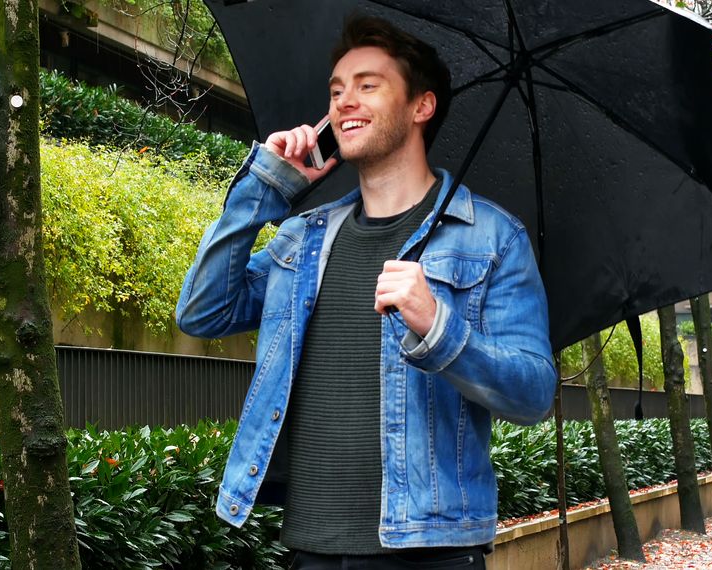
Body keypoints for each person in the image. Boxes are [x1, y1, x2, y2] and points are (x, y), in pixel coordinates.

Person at [175, 15, 557, 569]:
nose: (343, 102)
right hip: (311, 547)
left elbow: (533, 393)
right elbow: (203, 311)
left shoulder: (493, 238)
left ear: (421, 106)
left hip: (431, 552)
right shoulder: (303, 237)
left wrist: (439, 326)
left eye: (367, 86)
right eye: (336, 90)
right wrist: (264, 189)